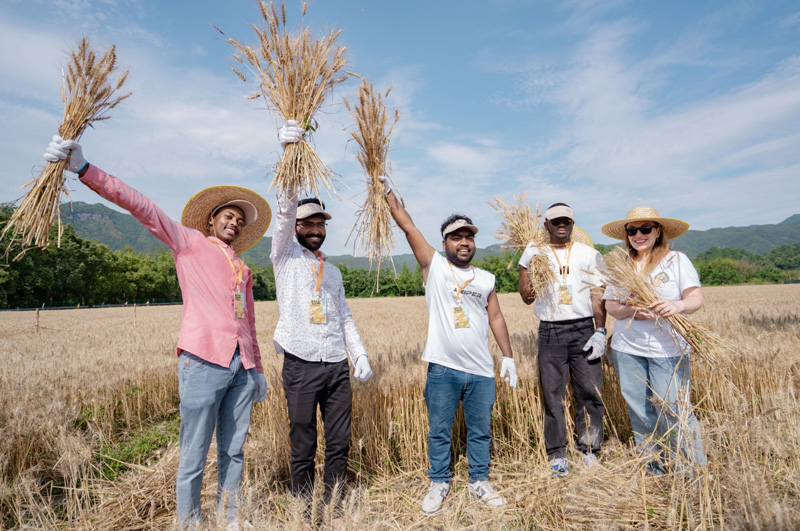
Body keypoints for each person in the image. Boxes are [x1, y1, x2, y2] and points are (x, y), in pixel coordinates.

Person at [43, 136, 270, 529]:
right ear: (212, 219)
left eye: (239, 220)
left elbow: (248, 321)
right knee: (194, 452)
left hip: (242, 367)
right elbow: (141, 205)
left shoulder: (243, 269)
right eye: (227, 216)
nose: (233, 222)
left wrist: (259, 369)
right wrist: (84, 169)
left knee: (233, 450)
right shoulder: (189, 243)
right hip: (203, 361)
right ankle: (189, 523)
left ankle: (230, 519)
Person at [380, 176, 517, 515]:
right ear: (445, 243)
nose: (464, 242)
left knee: (480, 431)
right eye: (457, 236)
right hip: (443, 368)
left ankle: (479, 481)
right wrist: (386, 192)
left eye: (469, 236)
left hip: (481, 370)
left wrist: (508, 357)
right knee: (439, 430)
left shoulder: (485, 278)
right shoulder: (435, 267)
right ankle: (439, 481)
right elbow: (408, 226)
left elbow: (496, 317)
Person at [272, 122, 373, 510]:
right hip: (299, 364)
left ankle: (333, 501)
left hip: (335, 366)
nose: (315, 230)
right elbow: (282, 212)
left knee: (339, 440)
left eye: (319, 225)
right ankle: (301, 505)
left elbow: (344, 316)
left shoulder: (332, 271)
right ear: (296, 227)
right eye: (307, 224)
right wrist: (289, 157)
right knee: (302, 439)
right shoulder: (283, 257)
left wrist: (358, 354)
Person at [601, 206, 707, 474]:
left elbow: (696, 299)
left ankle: (690, 470)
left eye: (645, 228)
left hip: (668, 348)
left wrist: (677, 306)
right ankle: (654, 468)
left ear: (658, 231)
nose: (639, 234)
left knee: (675, 410)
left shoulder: (676, 260)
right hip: (627, 348)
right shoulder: (622, 265)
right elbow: (612, 306)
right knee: (640, 410)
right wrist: (631, 312)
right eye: (632, 230)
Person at [518, 203, 607, 477]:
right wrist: (524, 265)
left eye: (566, 220)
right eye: (555, 221)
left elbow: (598, 293)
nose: (561, 225)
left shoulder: (589, 254)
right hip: (550, 331)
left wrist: (600, 331)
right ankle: (557, 454)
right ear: (546, 225)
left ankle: (590, 449)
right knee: (552, 394)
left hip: (583, 328)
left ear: (572, 223)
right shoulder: (537, 255)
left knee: (590, 392)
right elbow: (527, 297)